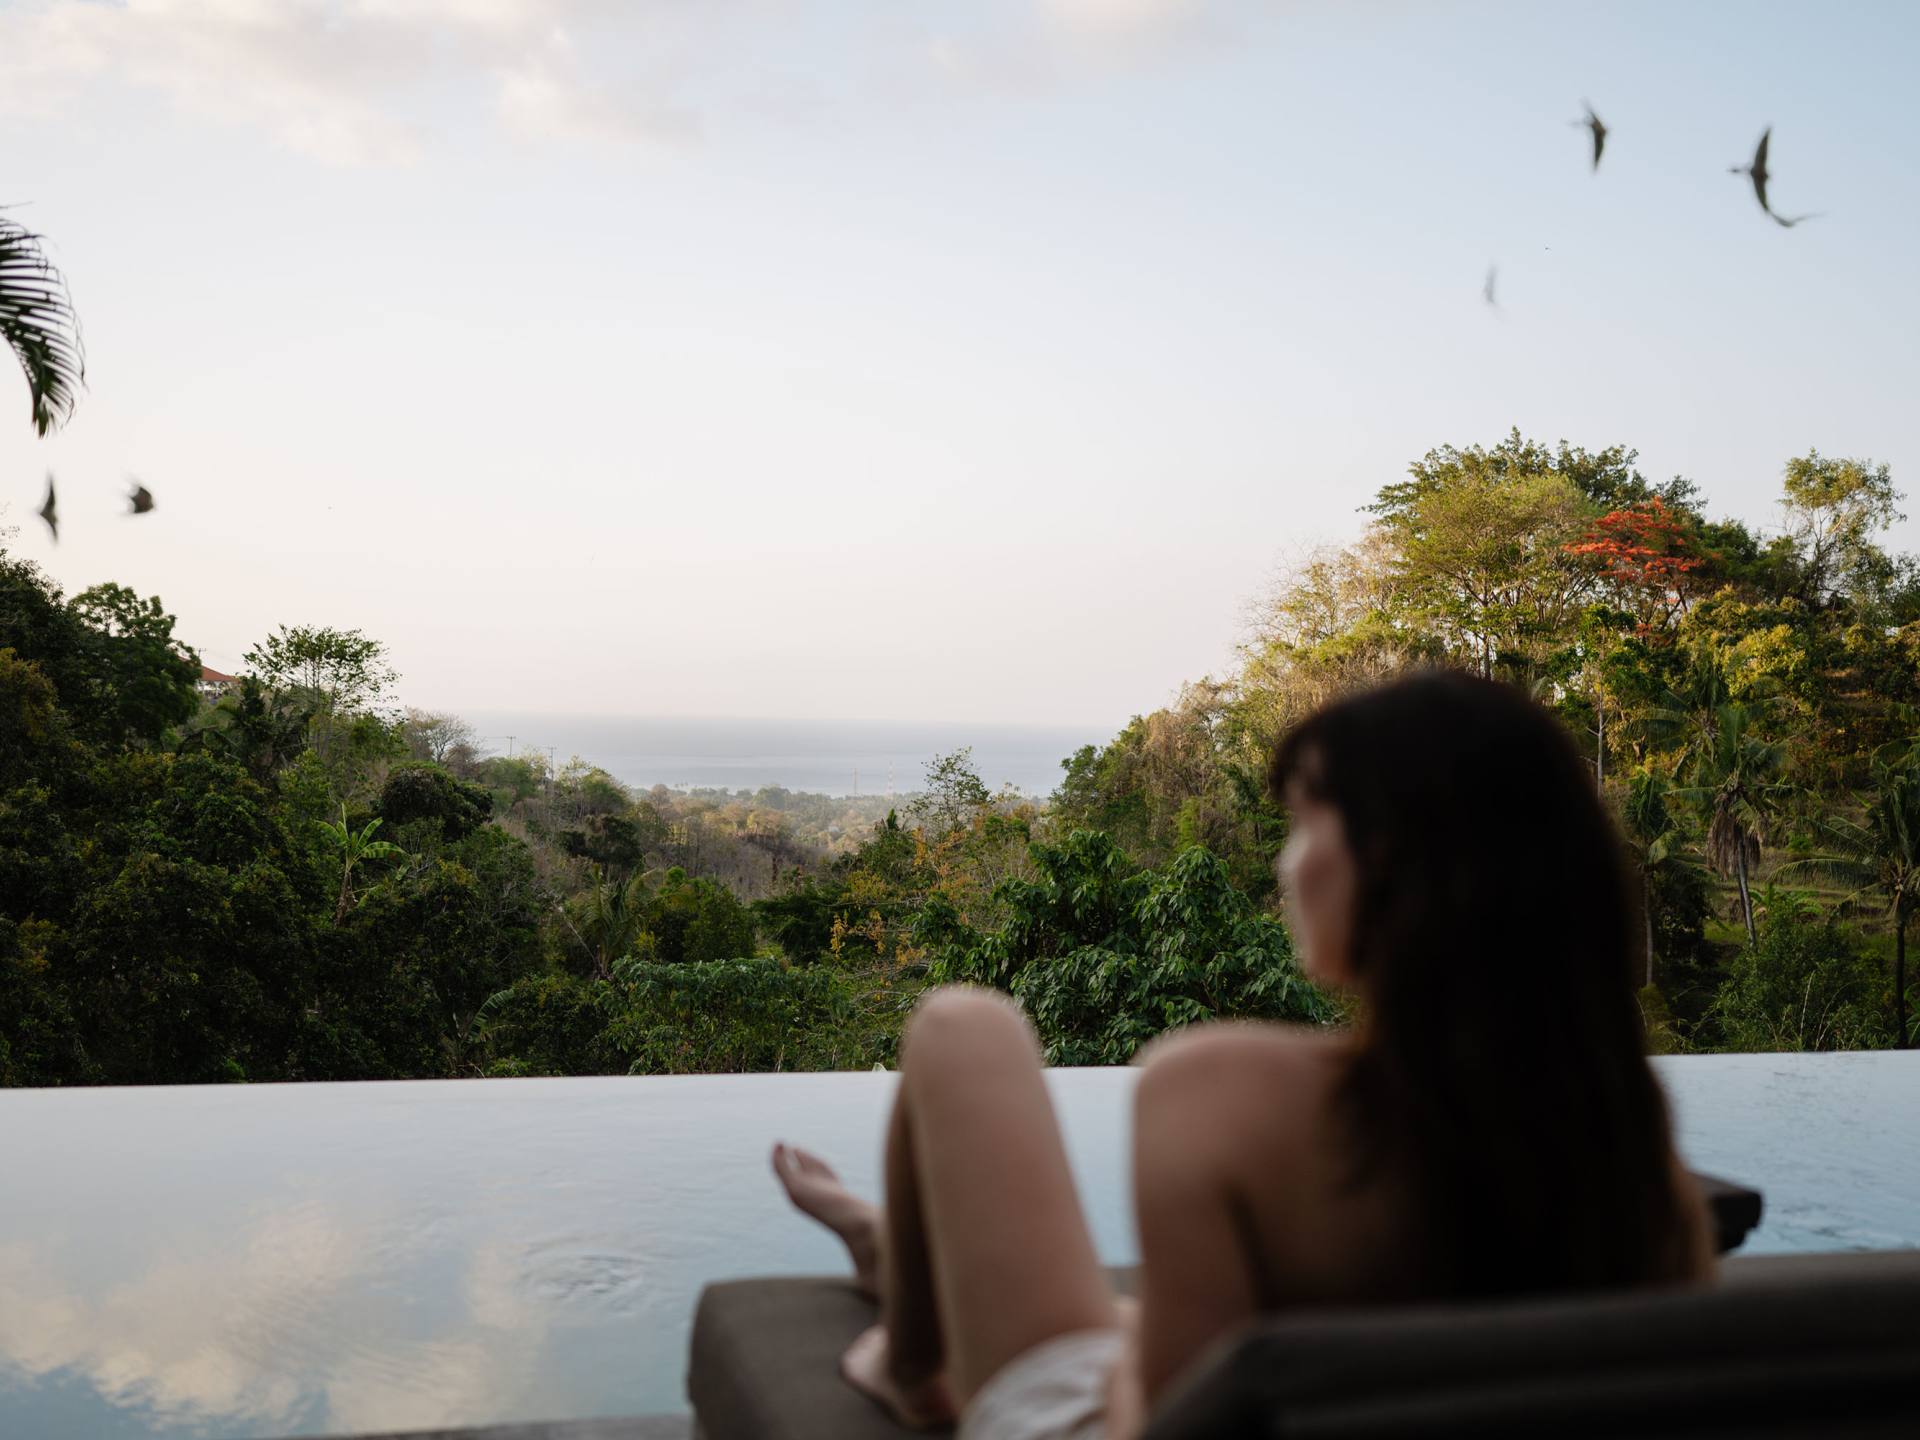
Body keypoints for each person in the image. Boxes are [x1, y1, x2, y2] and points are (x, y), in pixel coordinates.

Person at [773, 668, 1712, 1440]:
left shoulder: (1219, 1094)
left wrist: (1128, 1357)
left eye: (1307, 824)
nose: (1286, 863)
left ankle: (906, 1360)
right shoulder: (1637, 1168)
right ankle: (888, 1246)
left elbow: (1168, 1416)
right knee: (1117, 1320)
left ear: (1389, 862)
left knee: (962, 1026)